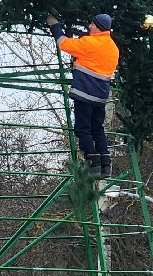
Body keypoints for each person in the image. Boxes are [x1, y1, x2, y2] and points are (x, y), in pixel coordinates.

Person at [44, 12, 119, 178]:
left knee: (82, 129)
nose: (89, 26)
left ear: (98, 27)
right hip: (101, 96)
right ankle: (105, 165)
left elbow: (63, 43)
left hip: (84, 93)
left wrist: (55, 25)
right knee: (97, 129)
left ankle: (93, 163)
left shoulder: (89, 43)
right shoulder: (113, 48)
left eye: (92, 24)